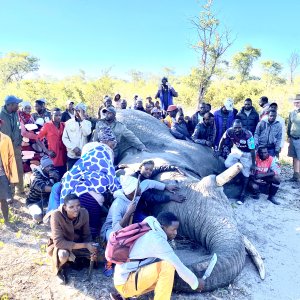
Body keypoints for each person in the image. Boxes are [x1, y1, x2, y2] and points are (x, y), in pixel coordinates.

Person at [110, 212, 204, 300]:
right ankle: (126, 294)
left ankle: (125, 295)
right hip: (125, 285)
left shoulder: (150, 223)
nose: (175, 233)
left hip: (124, 277)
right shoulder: (157, 241)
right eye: (173, 229)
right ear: (163, 227)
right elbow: (178, 265)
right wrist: (195, 283)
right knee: (168, 267)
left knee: (162, 265)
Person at [101, 175, 177, 277]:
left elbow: (149, 183)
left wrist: (165, 187)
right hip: (112, 229)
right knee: (114, 239)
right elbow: (115, 230)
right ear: (131, 192)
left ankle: (136, 261)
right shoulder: (118, 204)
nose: (141, 189)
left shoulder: (137, 191)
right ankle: (109, 262)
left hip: (129, 225)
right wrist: (128, 213)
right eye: (138, 188)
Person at [61, 127, 121, 237]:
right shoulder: (105, 152)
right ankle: (89, 243)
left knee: (75, 222)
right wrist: (119, 190)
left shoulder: (89, 153)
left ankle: (72, 237)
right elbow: (111, 180)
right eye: (112, 145)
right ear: (108, 142)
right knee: (92, 226)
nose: (113, 147)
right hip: (91, 198)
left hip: (72, 193)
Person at [47, 193, 97, 284]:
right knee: (63, 255)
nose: (76, 209)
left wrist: (91, 247)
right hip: (60, 246)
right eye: (71, 207)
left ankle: (73, 260)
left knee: (100, 255)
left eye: (78, 206)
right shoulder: (56, 215)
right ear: (65, 207)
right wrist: (85, 245)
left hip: (77, 244)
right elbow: (58, 242)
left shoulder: (84, 212)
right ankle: (59, 269)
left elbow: (87, 234)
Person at [218, 119, 256, 204]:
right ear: (232, 127)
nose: (237, 130)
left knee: (246, 174)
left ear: (242, 127)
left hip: (247, 153)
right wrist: (219, 150)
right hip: (237, 150)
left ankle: (242, 195)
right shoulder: (229, 131)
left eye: (239, 128)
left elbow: (253, 150)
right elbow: (222, 139)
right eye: (235, 128)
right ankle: (238, 175)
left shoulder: (248, 135)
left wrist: (253, 164)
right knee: (227, 163)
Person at [0, 95, 25, 198]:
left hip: (16, 146)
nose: (18, 106)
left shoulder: (15, 114)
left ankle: (20, 191)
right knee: (7, 171)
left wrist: (19, 143)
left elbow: (18, 129)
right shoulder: (1, 115)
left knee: (19, 168)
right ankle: (9, 194)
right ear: (10, 105)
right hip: (4, 148)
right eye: (16, 104)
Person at [26, 156, 60, 223]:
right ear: (43, 167)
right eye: (48, 166)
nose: (50, 168)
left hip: (48, 199)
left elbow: (60, 183)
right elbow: (43, 188)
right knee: (38, 217)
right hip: (34, 201)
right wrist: (55, 186)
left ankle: (47, 212)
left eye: (51, 166)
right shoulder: (35, 175)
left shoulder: (54, 172)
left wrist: (57, 178)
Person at [37, 108, 67, 177]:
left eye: (60, 115)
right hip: (54, 157)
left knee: (63, 177)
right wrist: (47, 151)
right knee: (55, 178)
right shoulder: (47, 125)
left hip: (63, 157)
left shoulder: (63, 125)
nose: (58, 117)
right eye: (56, 115)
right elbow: (37, 139)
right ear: (51, 115)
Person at [0, 118, 19, 228]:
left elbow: (11, 158)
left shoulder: (5, 139)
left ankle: (6, 220)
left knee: (3, 199)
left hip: (2, 173)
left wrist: (13, 178)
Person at [62, 103, 92, 170]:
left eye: (81, 111)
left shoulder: (87, 123)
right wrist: (73, 148)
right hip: (72, 155)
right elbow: (65, 138)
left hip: (83, 156)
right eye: (77, 110)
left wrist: (82, 121)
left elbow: (86, 133)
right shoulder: (68, 123)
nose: (78, 113)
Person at [287, 94, 300, 183]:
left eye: (298, 102)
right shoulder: (292, 112)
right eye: (295, 102)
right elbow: (289, 125)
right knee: (294, 157)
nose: (296, 104)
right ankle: (295, 176)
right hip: (292, 138)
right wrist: (288, 136)